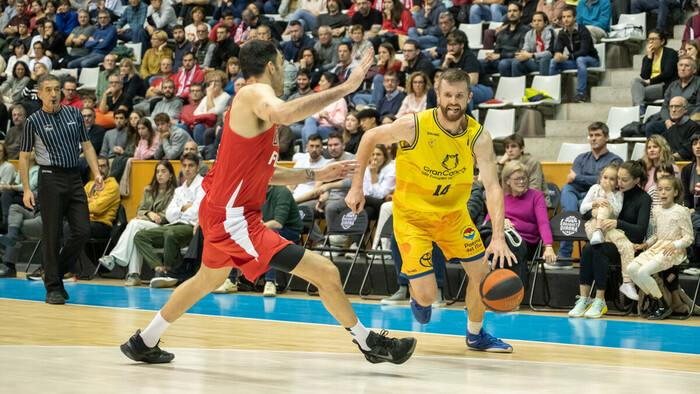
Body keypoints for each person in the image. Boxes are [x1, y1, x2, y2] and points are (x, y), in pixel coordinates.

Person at [120, 40, 417, 365]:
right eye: (281, 61)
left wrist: (316, 174)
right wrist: (346, 87)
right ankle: (370, 343)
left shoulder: (254, 109)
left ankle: (143, 341)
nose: (285, 70)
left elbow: (265, 172)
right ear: (272, 66)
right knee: (327, 273)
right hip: (233, 218)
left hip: (222, 211)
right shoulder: (254, 93)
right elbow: (288, 112)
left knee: (208, 279)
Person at [346, 68, 514, 352]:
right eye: (447, 95)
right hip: (412, 218)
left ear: (469, 97)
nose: (453, 101)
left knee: (482, 274)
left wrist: (497, 236)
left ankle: (475, 334)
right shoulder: (414, 125)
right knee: (427, 298)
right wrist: (356, 187)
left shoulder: (478, 136)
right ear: (438, 95)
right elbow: (369, 137)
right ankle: (417, 296)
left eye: (459, 95)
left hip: (453, 216)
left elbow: (493, 188)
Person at [20, 74, 103, 304]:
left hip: (74, 177)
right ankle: (53, 288)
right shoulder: (32, 121)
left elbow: (87, 145)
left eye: (57, 89)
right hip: (49, 179)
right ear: (40, 94)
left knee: (82, 230)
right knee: (52, 235)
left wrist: (96, 172)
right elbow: (24, 157)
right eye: (49, 90)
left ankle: (54, 272)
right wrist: (27, 189)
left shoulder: (74, 114)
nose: (54, 94)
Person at [569, 160, 652, 318]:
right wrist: (592, 212)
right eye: (618, 178)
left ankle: (600, 300)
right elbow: (586, 210)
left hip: (628, 243)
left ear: (636, 180)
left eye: (624, 180)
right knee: (588, 248)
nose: (619, 183)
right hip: (606, 235)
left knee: (597, 250)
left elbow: (640, 231)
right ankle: (584, 299)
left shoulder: (643, 199)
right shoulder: (612, 190)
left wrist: (618, 222)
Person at [548, 121, 623, 265]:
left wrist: (579, 178)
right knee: (566, 188)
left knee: (575, 205)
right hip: (580, 196)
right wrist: (586, 180)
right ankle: (571, 222)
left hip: (598, 198)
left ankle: (565, 252)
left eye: (597, 135)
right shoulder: (581, 158)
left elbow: (605, 184)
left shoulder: (615, 160)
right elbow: (571, 181)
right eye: (591, 135)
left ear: (607, 138)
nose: (593, 138)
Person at [99, 160, 177, 286]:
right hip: (147, 224)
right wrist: (149, 214)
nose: (159, 175)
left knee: (134, 224)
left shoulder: (175, 192)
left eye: (163, 171)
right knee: (136, 232)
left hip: (162, 227)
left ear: (171, 175)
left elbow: (167, 215)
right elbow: (140, 210)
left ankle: (114, 257)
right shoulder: (148, 190)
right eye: (157, 172)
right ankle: (134, 274)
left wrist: (149, 216)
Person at [134, 153, 203, 288]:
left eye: (191, 165)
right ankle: (159, 269)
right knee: (140, 237)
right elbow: (170, 215)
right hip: (174, 225)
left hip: (191, 227)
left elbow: (197, 211)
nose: (187, 169)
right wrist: (183, 207)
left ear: (198, 168)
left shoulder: (203, 185)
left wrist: (179, 210)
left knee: (170, 233)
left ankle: (169, 272)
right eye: (184, 166)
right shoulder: (179, 190)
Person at [482, 161, 555, 286]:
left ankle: (508, 291)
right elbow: (486, 222)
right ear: (507, 181)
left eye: (524, 178)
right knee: (491, 241)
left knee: (510, 245)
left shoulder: (536, 196)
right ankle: (504, 291)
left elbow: (543, 223)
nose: (521, 182)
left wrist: (548, 247)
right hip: (500, 238)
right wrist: (500, 220)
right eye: (517, 179)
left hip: (526, 242)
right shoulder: (500, 196)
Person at [630, 176, 693, 319]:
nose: (663, 192)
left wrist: (675, 244)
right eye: (660, 189)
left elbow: (689, 237)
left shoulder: (681, 211)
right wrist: (645, 245)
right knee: (632, 269)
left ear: (675, 192)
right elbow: (657, 235)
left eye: (667, 189)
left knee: (643, 272)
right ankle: (656, 301)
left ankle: (662, 304)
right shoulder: (656, 210)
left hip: (674, 251)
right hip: (658, 247)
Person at [578, 162, 638, 299]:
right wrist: (595, 204)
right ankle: (598, 230)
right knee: (603, 206)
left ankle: (627, 282)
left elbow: (616, 211)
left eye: (612, 179)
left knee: (626, 244)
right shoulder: (595, 188)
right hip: (593, 227)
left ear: (617, 182)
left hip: (608, 228)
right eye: (605, 177)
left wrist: (609, 193)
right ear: (600, 178)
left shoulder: (618, 194)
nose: (607, 181)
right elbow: (582, 209)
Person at [258, 185, 304, 297]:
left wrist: (256, 229)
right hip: (266, 230)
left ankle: (270, 282)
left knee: (270, 236)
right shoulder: (254, 192)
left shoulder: (282, 192)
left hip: (290, 231)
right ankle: (231, 280)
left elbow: (278, 223)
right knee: (237, 235)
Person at [548, 5, 599, 103]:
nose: (565, 19)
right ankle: (553, 93)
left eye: (568, 16)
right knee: (553, 62)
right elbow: (558, 49)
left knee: (580, 59)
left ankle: (581, 94)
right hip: (575, 60)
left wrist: (566, 56)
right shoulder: (562, 33)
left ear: (575, 17)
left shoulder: (583, 30)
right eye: (563, 17)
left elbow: (584, 51)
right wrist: (557, 55)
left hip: (591, 59)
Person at [645, 56, 700, 137]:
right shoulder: (672, 85)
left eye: (687, 66)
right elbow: (665, 106)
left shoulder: (698, 83)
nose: (683, 68)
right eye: (680, 65)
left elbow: (699, 106)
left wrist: (686, 121)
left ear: (694, 70)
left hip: (691, 122)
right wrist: (667, 121)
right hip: (671, 122)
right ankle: (659, 148)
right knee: (651, 127)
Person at [442, 30, 493, 109]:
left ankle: (466, 119)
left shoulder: (469, 57)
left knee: (464, 91)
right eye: (449, 45)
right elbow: (439, 80)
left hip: (482, 89)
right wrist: (445, 64)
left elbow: (473, 81)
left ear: (462, 45)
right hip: (458, 89)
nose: (451, 48)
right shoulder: (447, 57)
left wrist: (455, 86)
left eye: (454, 45)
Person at [630, 30, 678, 112]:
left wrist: (650, 81)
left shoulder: (670, 53)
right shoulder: (647, 57)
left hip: (665, 86)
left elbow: (667, 73)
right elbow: (644, 75)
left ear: (662, 41)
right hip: (650, 84)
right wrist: (649, 57)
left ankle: (638, 110)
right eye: (649, 39)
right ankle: (640, 108)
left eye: (654, 39)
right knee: (635, 81)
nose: (651, 42)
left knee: (638, 93)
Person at [497, 134, 551, 207]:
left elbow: (534, 188)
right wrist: (501, 163)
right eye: (507, 147)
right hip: (514, 200)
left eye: (513, 146)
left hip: (533, 202)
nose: (510, 150)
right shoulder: (508, 165)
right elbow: (497, 185)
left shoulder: (533, 163)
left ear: (522, 148)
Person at [480, 2, 531, 77]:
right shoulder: (502, 31)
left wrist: (499, 56)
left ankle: (507, 87)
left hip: (514, 62)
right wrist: (491, 56)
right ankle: (485, 86)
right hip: (499, 61)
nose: (512, 13)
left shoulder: (526, 30)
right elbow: (497, 50)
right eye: (509, 11)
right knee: (476, 63)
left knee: (503, 63)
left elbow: (520, 52)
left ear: (521, 13)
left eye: (515, 11)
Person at [300, 73, 347, 149]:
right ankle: (310, 150)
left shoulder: (340, 100)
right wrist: (319, 116)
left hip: (332, 129)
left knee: (305, 129)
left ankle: (309, 151)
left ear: (330, 83)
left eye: (322, 81)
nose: (319, 83)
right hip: (315, 126)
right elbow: (313, 116)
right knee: (306, 123)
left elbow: (341, 124)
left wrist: (328, 117)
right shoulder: (319, 99)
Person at [509, 11, 554, 77]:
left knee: (544, 60)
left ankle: (544, 86)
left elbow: (549, 53)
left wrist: (532, 55)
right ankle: (517, 86)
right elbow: (525, 49)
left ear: (545, 23)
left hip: (548, 62)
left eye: (539, 21)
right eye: (534, 21)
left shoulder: (550, 32)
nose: (536, 23)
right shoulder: (529, 34)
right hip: (534, 62)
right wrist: (522, 54)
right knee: (516, 62)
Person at [192, 71, 230, 145]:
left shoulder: (225, 97)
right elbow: (195, 113)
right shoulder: (205, 98)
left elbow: (213, 113)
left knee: (199, 127)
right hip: (205, 125)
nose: (213, 84)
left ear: (222, 83)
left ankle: (203, 149)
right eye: (211, 81)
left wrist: (209, 95)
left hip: (216, 125)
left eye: (217, 81)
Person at [664, 96, 700, 161]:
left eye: (677, 106)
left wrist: (669, 158)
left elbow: (687, 151)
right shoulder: (671, 129)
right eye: (671, 107)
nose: (673, 110)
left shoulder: (693, 126)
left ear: (685, 109)